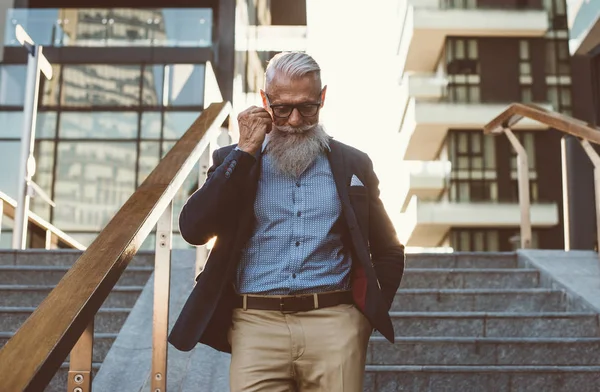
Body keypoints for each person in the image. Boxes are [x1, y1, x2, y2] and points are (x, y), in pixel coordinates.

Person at [169, 52, 405, 391]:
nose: (295, 120)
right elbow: (194, 230)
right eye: (282, 109)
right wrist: (244, 151)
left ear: (322, 98)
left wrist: (363, 318)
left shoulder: (353, 163)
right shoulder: (234, 161)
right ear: (265, 102)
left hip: (335, 323)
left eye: (307, 107)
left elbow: (388, 249)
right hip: (255, 324)